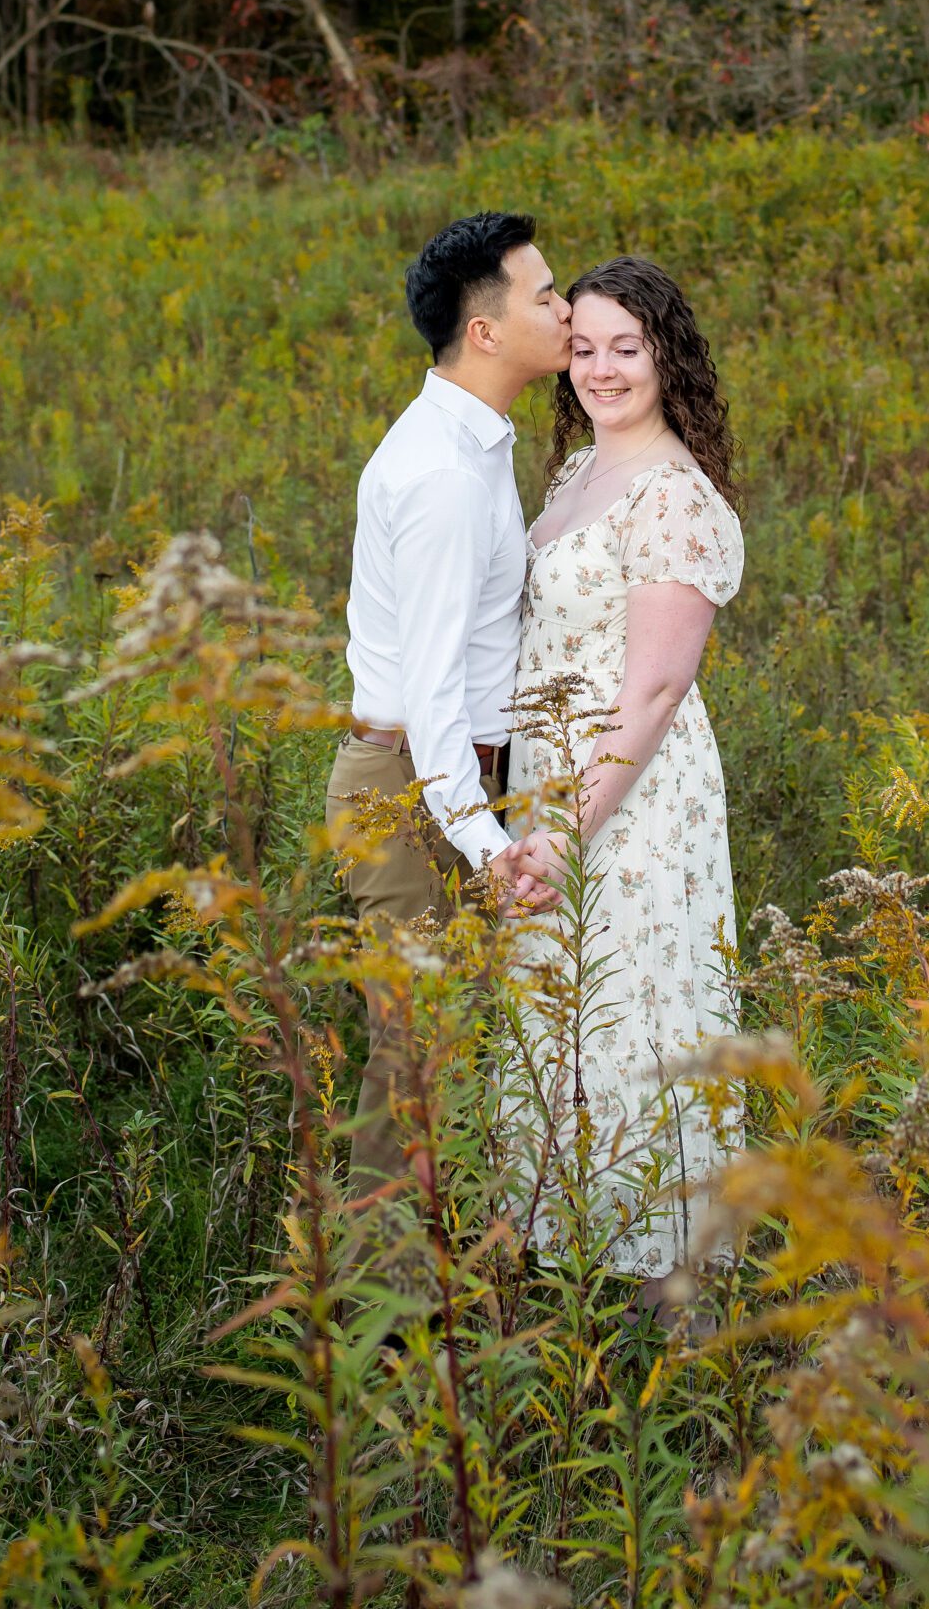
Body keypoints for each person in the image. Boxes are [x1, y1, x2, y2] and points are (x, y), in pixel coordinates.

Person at [505, 256, 744, 1298]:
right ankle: (571, 1291)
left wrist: (565, 828)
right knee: (561, 1024)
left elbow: (651, 690)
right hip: (548, 780)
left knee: (639, 1019)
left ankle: (671, 1314)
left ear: (666, 356)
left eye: (627, 348)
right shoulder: (576, 472)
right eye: (586, 346)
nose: (602, 368)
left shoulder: (674, 495)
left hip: (627, 798)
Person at [327, 209, 571, 1185]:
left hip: (446, 781)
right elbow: (430, 688)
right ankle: (376, 1325)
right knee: (415, 1067)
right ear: (485, 330)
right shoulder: (439, 474)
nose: (565, 306)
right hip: (413, 790)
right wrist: (487, 843)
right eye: (545, 293)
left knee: (451, 1058)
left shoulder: (474, 444)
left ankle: (450, 1309)